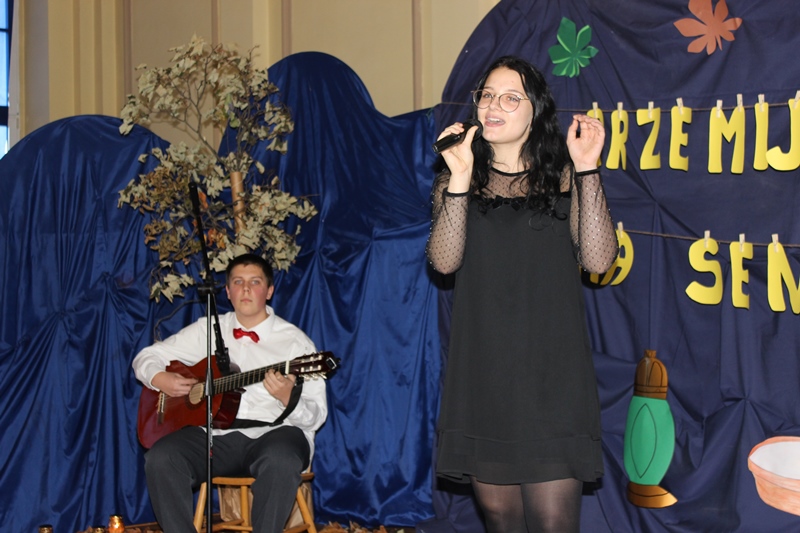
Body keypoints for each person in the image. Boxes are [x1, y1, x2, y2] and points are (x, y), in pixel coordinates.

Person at [426, 56, 619, 532]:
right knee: (501, 519)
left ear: (536, 112)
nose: (494, 105)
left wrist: (588, 168)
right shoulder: (457, 179)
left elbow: (599, 260)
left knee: (553, 521)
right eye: (488, 95)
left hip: (553, 378)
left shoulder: (565, 177)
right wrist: (460, 177)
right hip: (484, 374)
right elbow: (443, 262)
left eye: (511, 98)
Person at [132, 253, 327, 533]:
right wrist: (159, 378)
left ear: (269, 291)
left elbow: (316, 416)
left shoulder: (296, 343)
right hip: (215, 435)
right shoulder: (208, 330)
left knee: (281, 460)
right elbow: (146, 357)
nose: (245, 289)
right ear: (227, 291)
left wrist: (289, 399)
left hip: (274, 433)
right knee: (161, 458)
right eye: (238, 282)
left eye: (255, 282)